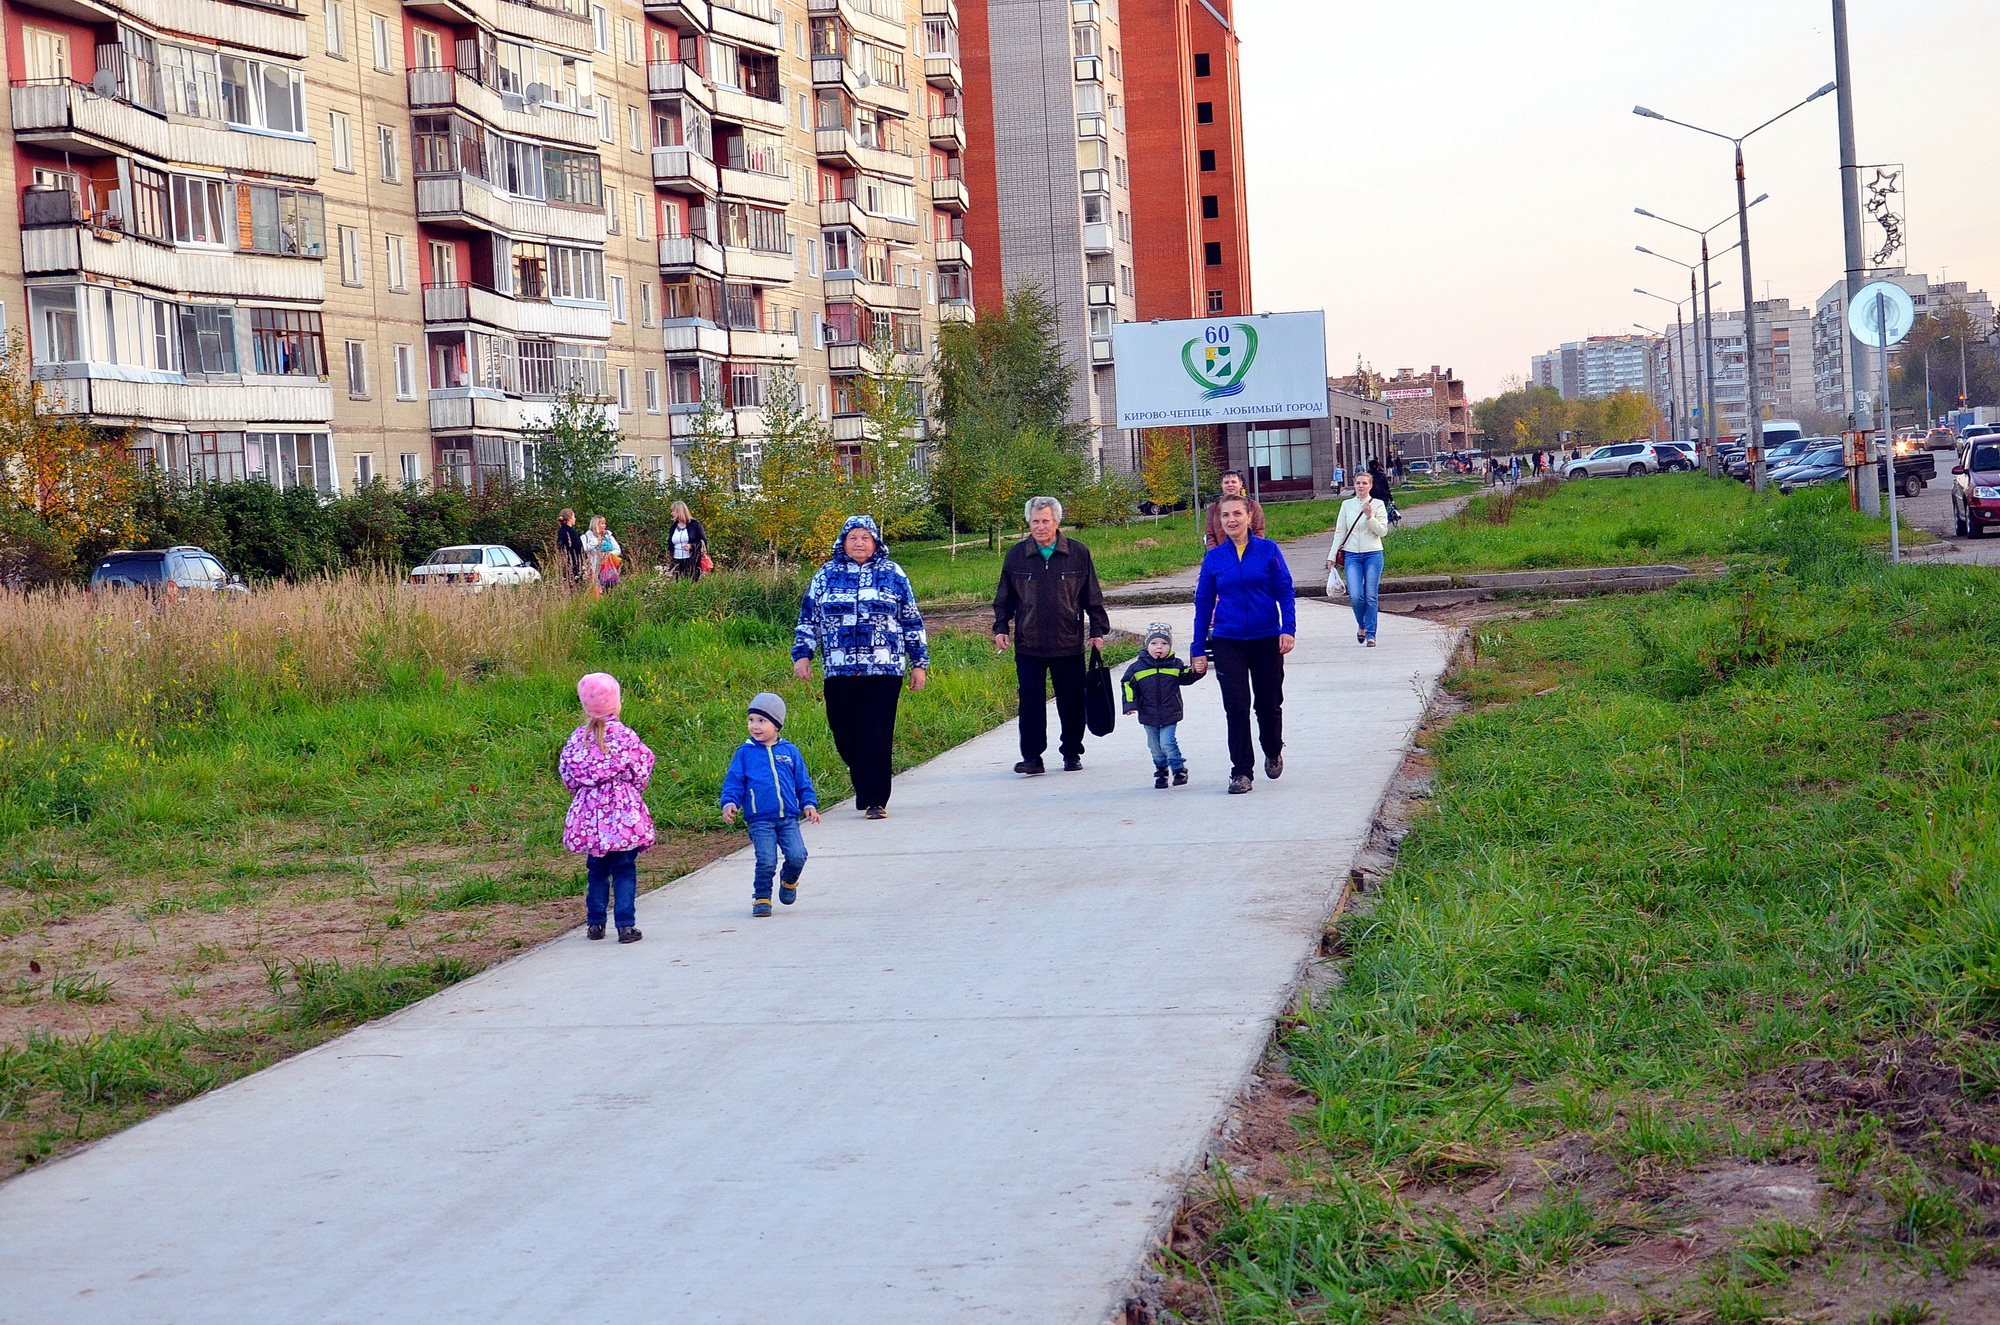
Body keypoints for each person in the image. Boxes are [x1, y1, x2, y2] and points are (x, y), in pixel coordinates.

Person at [792, 514, 928, 820]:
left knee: (876, 733)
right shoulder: (826, 574)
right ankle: (866, 778)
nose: (859, 543)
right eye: (853, 537)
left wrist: (919, 662)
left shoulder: (893, 573)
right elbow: (808, 617)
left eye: (865, 537)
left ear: (876, 542)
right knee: (844, 732)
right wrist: (803, 654)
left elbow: (911, 619)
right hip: (839, 669)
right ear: (842, 542)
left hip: (884, 668)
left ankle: (874, 799)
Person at [993, 496, 1109, 775]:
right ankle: (1032, 757)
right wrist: (1000, 627)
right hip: (1028, 642)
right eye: (1035, 521)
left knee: (1071, 700)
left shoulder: (1078, 553)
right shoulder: (1016, 555)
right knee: (1030, 701)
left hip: (1067, 641)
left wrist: (1096, 630)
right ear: (1028, 522)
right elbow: (1004, 597)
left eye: (1045, 521)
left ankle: (1071, 752)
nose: (1040, 527)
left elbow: (1092, 596)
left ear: (1057, 522)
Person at [1191, 495, 1295, 795]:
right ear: (1219, 521)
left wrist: (1287, 629)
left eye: (1237, 514)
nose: (1231, 520)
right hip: (1228, 640)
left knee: (1268, 704)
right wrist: (1198, 647)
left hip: (1266, 638)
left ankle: (1273, 748)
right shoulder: (1214, 557)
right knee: (1236, 708)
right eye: (1225, 516)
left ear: (1249, 516)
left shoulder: (1268, 550)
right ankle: (1241, 771)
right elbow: (1203, 603)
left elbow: (1285, 591)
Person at [559, 672, 656, 944]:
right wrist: (632, 789)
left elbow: (567, 772)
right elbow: (642, 765)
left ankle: (595, 924)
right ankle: (625, 925)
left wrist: (584, 791)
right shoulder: (625, 736)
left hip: (590, 814)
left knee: (597, 869)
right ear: (616, 703)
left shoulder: (578, 739)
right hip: (622, 812)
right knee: (624, 868)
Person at [720, 692, 820, 918]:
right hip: (760, 819)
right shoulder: (744, 753)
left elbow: (802, 782)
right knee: (766, 860)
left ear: (776, 725)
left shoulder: (789, 752)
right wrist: (729, 802)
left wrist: (809, 804)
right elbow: (734, 782)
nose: (755, 726)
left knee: (797, 855)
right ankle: (762, 897)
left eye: (762, 721)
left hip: (788, 819)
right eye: (751, 720)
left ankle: (789, 880)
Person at [1121, 622, 1202, 788]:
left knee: (1167, 742)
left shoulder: (1175, 665)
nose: (1159, 647)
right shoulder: (1137, 668)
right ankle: (1161, 770)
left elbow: (1186, 677)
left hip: (1170, 711)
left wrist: (1196, 670)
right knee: (1154, 746)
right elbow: (1128, 684)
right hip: (1148, 714)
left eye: (1164, 643)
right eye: (1154, 643)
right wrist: (1130, 703)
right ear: (1147, 645)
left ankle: (1178, 769)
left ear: (1170, 646)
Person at [1326, 470, 1391, 647]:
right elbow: (1340, 532)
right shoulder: (1347, 505)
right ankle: (1361, 625)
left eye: (1364, 483)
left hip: (1373, 554)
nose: (1361, 486)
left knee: (1370, 595)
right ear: (1354, 485)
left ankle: (1371, 634)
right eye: (1358, 483)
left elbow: (1382, 532)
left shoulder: (1378, 505)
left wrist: (1370, 516)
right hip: (1352, 555)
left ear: (1370, 486)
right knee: (1355, 595)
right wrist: (1331, 556)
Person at [1202, 470, 1266, 548]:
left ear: (1240, 484)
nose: (1230, 485)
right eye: (1226, 482)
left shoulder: (1253, 506)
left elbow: (1259, 531)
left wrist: (1254, 551)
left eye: (1233, 482)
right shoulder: (1213, 508)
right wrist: (1215, 553)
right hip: (1222, 554)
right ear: (1221, 485)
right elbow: (1210, 535)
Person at [667, 502, 707, 580]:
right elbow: (670, 544)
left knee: (691, 583)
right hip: (676, 560)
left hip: (692, 560)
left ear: (680, 511)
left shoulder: (695, 524)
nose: (672, 513)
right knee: (678, 584)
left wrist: (691, 546)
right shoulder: (673, 527)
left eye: (673, 511)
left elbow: (703, 541)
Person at [557, 509, 586, 587]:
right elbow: (578, 547)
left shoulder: (560, 531)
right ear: (569, 518)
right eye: (574, 516)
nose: (575, 518)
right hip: (574, 562)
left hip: (566, 562)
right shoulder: (571, 532)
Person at [1368, 459, 1399, 523]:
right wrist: (1391, 498)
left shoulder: (1367, 476)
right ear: (1378, 466)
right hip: (1383, 497)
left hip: (1371, 497)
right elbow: (1386, 488)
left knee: (1372, 514)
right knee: (1382, 513)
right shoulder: (1382, 475)